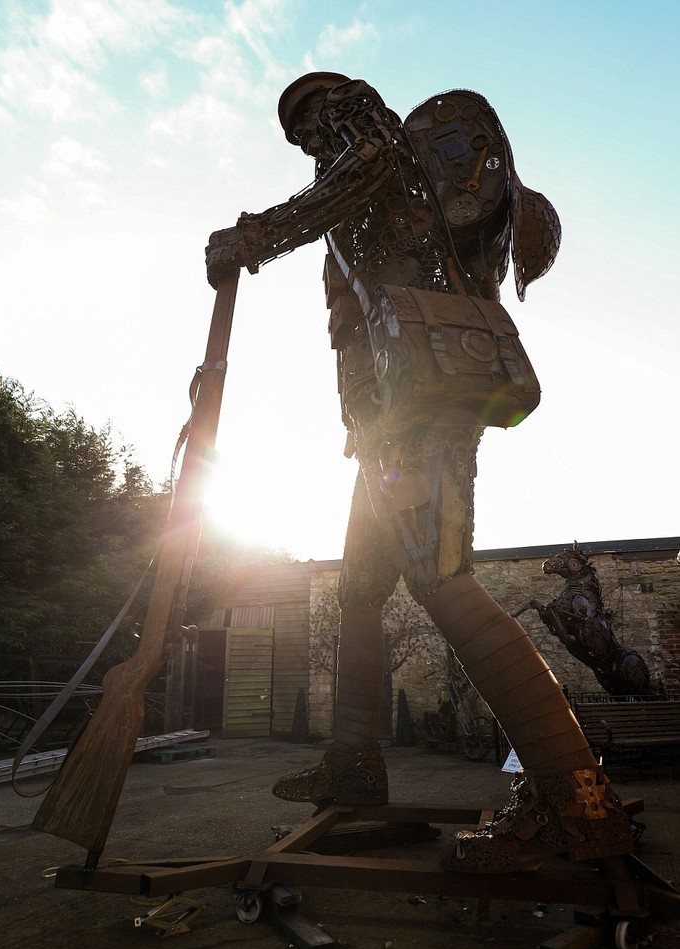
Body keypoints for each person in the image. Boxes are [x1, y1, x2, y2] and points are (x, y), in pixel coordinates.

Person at [205, 73, 633, 872]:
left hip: (427, 395)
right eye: (299, 128)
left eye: (310, 116)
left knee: (442, 579)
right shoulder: (360, 202)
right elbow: (352, 313)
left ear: (341, 103)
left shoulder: (371, 149)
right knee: (362, 590)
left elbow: (359, 164)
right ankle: (355, 765)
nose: (307, 134)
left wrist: (254, 236)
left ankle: (575, 802)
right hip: (385, 421)